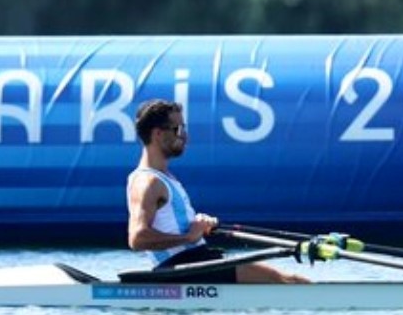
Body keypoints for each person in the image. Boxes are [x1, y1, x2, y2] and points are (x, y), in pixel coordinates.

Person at [127, 99, 308, 284]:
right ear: (157, 134)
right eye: (178, 129)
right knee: (290, 281)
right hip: (184, 266)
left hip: (197, 261)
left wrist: (198, 224)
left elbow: (172, 225)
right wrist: (188, 236)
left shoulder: (165, 178)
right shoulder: (147, 181)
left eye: (184, 128)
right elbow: (137, 238)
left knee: (290, 280)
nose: (185, 136)